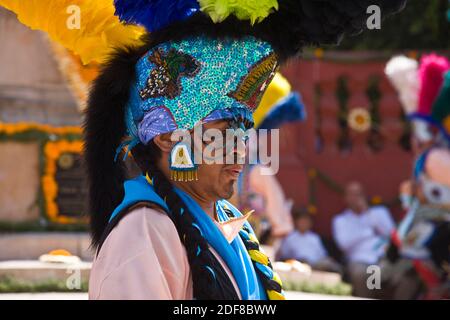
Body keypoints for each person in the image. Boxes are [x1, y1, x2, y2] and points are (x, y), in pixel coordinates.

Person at [0, 0, 407, 300]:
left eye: (244, 129)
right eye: (224, 130)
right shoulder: (145, 234)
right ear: (165, 136)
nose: (240, 149)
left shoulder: (233, 222)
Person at [332, 182, 395, 298]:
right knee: (361, 274)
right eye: (352, 194)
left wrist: (368, 213)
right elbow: (344, 244)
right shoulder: (341, 220)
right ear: (345, 198)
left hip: (382, 259)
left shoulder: (378, 213)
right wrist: (367, 232)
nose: (355, 198)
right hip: (359, 261)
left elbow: (391, 234)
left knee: (390, 276)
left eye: (358, 194)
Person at [277, 210, 342, 273]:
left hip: (316, 264)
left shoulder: (314, 237)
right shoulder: (290, 238)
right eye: (302, 221)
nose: (304, 223)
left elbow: (322, 254)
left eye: (306, 221)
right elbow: (284, 255)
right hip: (299, 265)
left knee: (330, 264)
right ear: (296, 222)